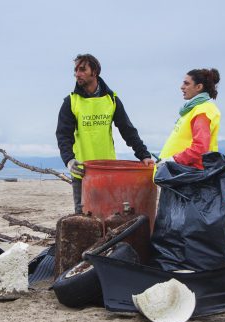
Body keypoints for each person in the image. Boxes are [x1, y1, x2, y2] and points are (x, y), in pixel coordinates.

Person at [56, 54, 153, 213]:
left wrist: (144, 155)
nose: (77, 74)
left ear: (94, 71)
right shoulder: (71, 101)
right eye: (75, 70)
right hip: (82, 170)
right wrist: (69, 160)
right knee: (83, 217)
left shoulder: (111, 100)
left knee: (109, 215)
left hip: (108, 169)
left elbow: (127, 130)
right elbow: (63, 135)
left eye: (82, 70)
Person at [158, 68, 221, 168]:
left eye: (186, 84)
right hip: (179, 171)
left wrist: (173, 159)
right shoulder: (192, 109)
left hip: (188, 174)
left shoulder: (203, 111)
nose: (182, 87)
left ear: (199, 87)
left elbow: (200, 148)